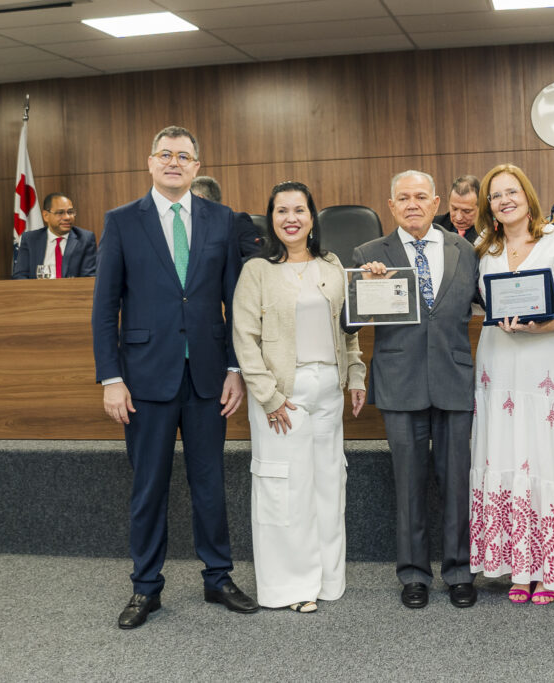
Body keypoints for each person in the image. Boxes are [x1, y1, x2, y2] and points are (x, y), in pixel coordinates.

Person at [92, 125, 258, 630]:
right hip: (144, 379)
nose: (173, 162)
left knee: (210, 484)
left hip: (208, 377)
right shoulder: (122, 221)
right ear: (150, 162)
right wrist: (111, 378)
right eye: (165, 154)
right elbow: (105, 308)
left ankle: (218, 578)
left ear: (196, 166)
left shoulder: (221, 219)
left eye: (183, 156)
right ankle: (146, 587)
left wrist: (235, 368)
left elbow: (236, 302)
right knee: (149, 487)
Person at [469, 164, 554, 606]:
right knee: (503, 451)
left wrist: (541, 325)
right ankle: (516, 567)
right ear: (488, 206)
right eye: (495, 195)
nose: (504, 200)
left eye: (511, 192)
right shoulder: (484, 250)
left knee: (545, 456)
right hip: (497, 363)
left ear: (528, 196)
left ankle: (550, 569)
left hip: (544, 363)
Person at [232, 181, 367, 613]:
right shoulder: (257, 270)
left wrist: (356, 374)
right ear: (271, 218)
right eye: (281, 211)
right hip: (282, 396)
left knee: (328, 486)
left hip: (328, 389)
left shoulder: (332, 265)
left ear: (312, 217)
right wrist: (268, 397)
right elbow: (245, 339)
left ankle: (327, 580)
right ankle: (291, 588)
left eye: (299, 210)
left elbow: (348, 330)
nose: (291, 218)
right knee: (285, 492)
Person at [352, 170, 480, 609]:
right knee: (408, 485)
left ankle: (459, 571)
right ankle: (414, 574)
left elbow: (488, 303)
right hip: (400, 382)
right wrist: (364, 287)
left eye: (421, 197)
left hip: (454, 378)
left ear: (436, 202)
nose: (412, 204)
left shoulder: (465, 250)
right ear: (391, 206)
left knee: (457, 481)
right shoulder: (369, 254)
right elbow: (348, 323)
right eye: (403, 198)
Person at [12, 192, 97, 279]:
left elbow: (89, 278)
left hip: (72, 288)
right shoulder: (30, 239)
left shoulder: (85, 239)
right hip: (39, 288)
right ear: (46, 216)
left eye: (70, 212)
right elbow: (20, 276)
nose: (67, 217)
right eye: (60, 213)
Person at [190, 175, 263, 259]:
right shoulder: (191, 226)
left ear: (200, 199)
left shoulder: (236, 221)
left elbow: (256, 256)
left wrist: (224, 264)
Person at [433, 175, 480, 244]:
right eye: (454, 209)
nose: (458, 218)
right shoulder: (434, 226)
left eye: (466, 211)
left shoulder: (489, 232)